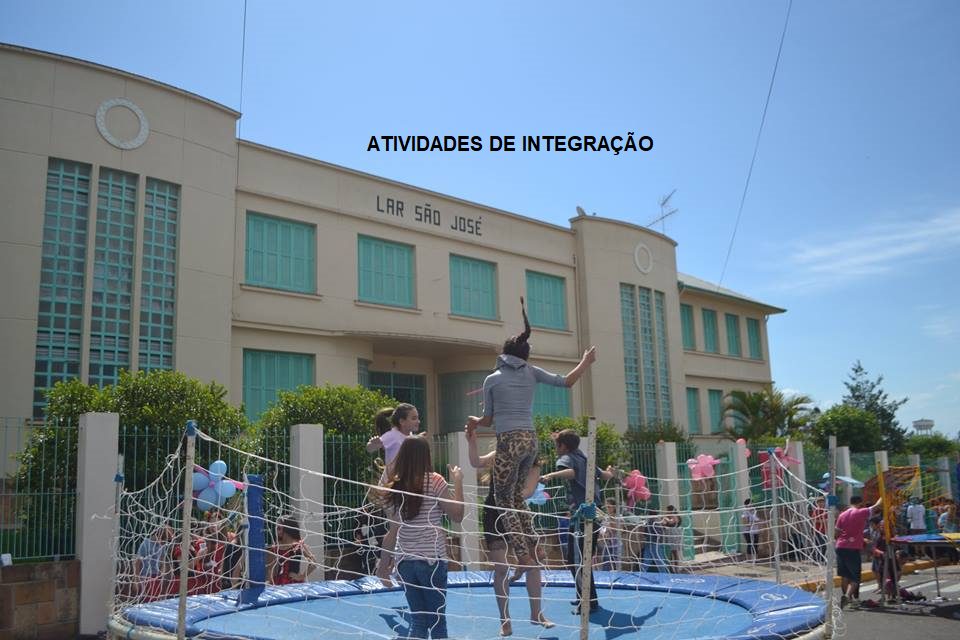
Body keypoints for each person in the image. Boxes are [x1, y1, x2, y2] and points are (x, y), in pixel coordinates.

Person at [467, 297, 597, 572]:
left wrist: (475, 422)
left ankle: (523, 556)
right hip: (530, 440)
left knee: (503, 499)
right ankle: (533, 546)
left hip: (509, 441)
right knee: (516, 497)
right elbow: (567, 382)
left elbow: (488, 420)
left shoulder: (492, 379)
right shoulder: (531, 372)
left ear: (504, 353)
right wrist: (585, 362)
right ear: (524, 355)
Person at [465, 422, 553, 636]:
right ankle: (505, 620)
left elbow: (528, 491)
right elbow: (476, 462)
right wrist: (472, 441)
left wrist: (509, 494)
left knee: (534, 563)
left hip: (517, 513)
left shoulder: (532, 463)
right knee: (501, 568)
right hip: (495, 513)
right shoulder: (500, 454)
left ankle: (536, 613)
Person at [383, 436, 464, 639]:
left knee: (418, 620)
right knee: (437, 622)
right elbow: (457, 515)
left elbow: (393, 530)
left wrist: (384, 565)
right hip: (431, 560)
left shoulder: (396, 485)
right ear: (426, 456)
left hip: (405, 561)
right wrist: (458, 481)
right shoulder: (435, 480)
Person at [540, 429, 616, 613]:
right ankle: (586, 596)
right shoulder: (584, 458)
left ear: (564, 446)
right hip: (593, 514)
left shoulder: (567, 458)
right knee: (580, 558)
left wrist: (550, 476)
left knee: (578, 559)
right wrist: (610, 472)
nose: (555, 449)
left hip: (583, 516)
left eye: (557, 445)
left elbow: (571, 472)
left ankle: (587, 601)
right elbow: (605, 476)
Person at [367, 404, 421, 583]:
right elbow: (371, 448)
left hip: (403, 488)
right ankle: (383, 569)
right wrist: (374, 443)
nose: (418, 421)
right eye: (413, 418)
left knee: (404, 527)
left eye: (417, 417)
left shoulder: (410, 438)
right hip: (390, 488)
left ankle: (392, 567)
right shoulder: (392, 435)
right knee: (397, 527)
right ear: (402, 421)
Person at [835, 495, 883, 610]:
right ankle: (848, 596)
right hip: (853, 548)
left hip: (840, 546)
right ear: (860, 503)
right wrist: (884, 493)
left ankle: (849, 599)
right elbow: (877, 505)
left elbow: (836, 533)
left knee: (844, 575)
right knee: (855, 576)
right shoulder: (861, 512)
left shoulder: (842, 514)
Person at [267, 516, 318, 585]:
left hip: (294, 583)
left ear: (287, 529)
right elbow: (270, 568)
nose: (277, 532)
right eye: (276, 529)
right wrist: (271, 582)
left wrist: (301, 577)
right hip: (279, 583)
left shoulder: (299, 545)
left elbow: (314, 563)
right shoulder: (276, 547)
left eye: (279, 528)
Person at [596, 499, 624, 571]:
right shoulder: (605, 518)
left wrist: (608, 518)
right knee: (605, 566)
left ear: (614, 507)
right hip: (607, 546)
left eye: (609, 507)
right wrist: (602, 535)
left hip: (616, 546)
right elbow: (603, 529)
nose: (607, 508)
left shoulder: (619, 517)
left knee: (616, 567)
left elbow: (618, 529)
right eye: (606, 507)